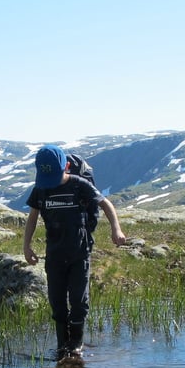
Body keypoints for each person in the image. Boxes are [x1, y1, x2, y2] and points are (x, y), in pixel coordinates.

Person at [23, 144, 127, 356]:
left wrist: (116, 229)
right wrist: (27, 245)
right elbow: (32, 218)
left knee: (79, 301)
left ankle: (76, 345)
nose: (51, 184)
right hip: (54, 255)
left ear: (67, 166)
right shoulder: (41, 189)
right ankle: (63, 346)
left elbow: (106, 204)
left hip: (79, 254)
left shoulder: (80, 185)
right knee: (57, 304)